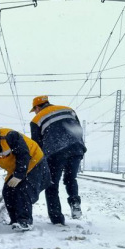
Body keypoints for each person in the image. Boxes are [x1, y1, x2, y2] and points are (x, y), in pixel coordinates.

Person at [0, 125, 50, 231]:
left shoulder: (9, 136)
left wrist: (19, 176)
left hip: (35, 162)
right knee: (7, 192)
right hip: (17, 168)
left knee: (23, 190)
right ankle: (15, 221)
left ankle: (25, 222)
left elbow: (23, 154)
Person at [29, 95, 87, 224]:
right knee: (70, 178)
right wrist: (80, 148)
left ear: (37, 107)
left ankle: (57, 218)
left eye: (35, 110)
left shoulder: (36, 120)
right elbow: (78, 129)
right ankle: (75, 201)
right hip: (76, 148)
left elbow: (36, 145)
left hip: (55, 152)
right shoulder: (68, 110)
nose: (35, 112)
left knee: (52, 185)